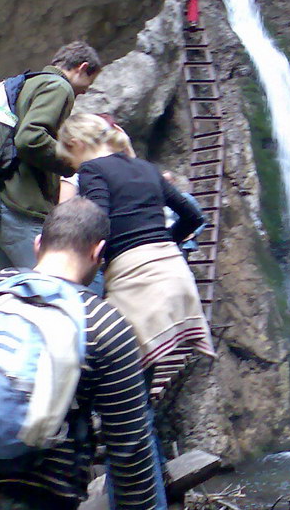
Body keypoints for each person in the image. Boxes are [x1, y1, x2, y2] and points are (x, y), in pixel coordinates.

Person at [0, 197, 168, 510]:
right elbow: (129, 451)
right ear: (99, 252)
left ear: (38, 245)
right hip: (30, 507)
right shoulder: (104, 324)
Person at [57, 113, 214, 369]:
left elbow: (97, 220)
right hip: (176, 277)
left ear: (77, 144)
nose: (73, 167)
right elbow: (193, 217)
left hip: (137, 284)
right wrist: (163, 242)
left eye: (69, 158)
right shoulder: (146, 168)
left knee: (108, 367)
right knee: (141, 375)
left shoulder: (91, 169)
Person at [0, 41, 102, 271]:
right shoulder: (59, 87)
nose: (85, 90)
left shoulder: (28, 83)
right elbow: (30, 138)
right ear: (82, 67)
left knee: (10, 295)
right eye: (89, 81)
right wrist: (72, 161)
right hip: (21, 206)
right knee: (48, 286)